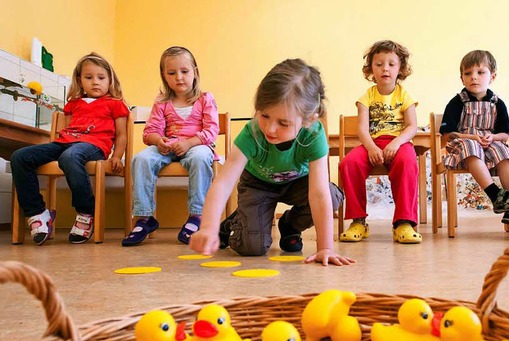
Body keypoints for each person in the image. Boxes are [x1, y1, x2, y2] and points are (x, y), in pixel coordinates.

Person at [190, 58, 354, 266]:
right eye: (264, 115)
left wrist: (325, 249)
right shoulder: (252, 133)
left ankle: (289, 226)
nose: (269, 129)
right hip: (258, 184)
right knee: (251, 248)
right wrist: (208, 227)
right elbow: (223, 183)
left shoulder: (314, 135)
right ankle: (235, 221)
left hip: (297, 183)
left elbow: (319, 193)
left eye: (283, 123)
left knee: (332, 196)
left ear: (308, 120)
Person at [10, 52, 129, 245]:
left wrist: (117, 156)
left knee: (70, 156)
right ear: (80, 80)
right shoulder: (74, 103)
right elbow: (64, 126)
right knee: (20, 156)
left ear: (110, 80)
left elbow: (122, 134)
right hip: (63, 142)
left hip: (94, 146)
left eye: (101, 77)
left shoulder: (115, 104)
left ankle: (86, 212)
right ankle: (38, 213)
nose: (95, 82)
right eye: (89, 77)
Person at [122, 46, 219, 246]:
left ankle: (197, 216)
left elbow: (211, 131)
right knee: (141, 159)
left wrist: (189, 143)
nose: (179, 77)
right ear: (164, 76)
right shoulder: (162, 101)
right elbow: (150, 132)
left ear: (195, 72)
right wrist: (159, 141)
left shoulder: (205, 99)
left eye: (185, 72)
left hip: (196, 145)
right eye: (172, 73)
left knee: (200, 158)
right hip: (168, 147)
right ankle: (145, 218)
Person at [339, 40, 422, 244]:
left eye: (391, 64)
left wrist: (396, 144)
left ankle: (404, 222)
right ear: (371, 69)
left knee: (408, 162)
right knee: (348, 164)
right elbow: (362, 129)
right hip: (372, 143)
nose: (385, 68)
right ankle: (358, 221)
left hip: (399, 143)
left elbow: (412, 126)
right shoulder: (366, 97)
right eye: (379, 64)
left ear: (400, 68)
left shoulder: (405, 95)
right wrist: (371, 147)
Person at [439, 50, 509, 227]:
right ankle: (495, 194)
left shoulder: (498, 103)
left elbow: (505, 134)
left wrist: (492, 136)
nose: (474, 78)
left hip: (490, 144)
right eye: (468, 73)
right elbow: (448, 135)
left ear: (492, 76)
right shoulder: (457, 102)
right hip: (463, 148)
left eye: (480, 72)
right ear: (462, 78)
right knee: (471, 146)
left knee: (504, 152)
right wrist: (473, 137)